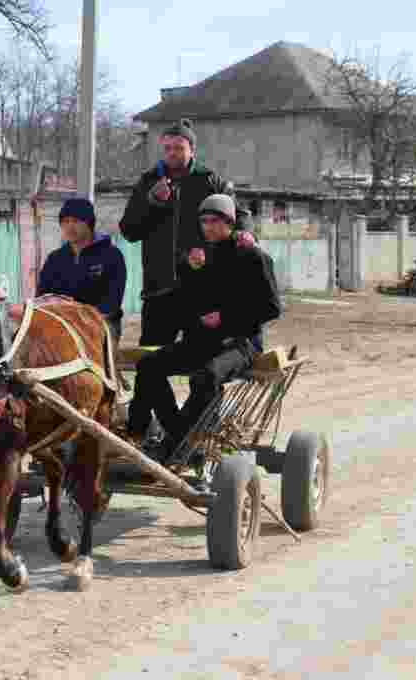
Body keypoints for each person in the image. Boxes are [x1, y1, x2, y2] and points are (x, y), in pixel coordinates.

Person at [126, 194, 281, 466]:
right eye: (204, 221)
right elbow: (188, 304)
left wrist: (225, 319)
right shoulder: (200, 257)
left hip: (240, 343)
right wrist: (188, 272)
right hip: (202, 341)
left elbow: (271, 308)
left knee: (206, 377)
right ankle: (149, 434)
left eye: (214, 221)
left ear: (230, 222)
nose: (208, 227)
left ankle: (176, 444)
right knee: (149, 366)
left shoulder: (253, 256)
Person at [118, 118, 257, 347]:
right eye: (167, 148)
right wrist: (151, 202)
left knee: (203, 361)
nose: (172, 153)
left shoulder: (209, 180)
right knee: (150, 365)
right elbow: (129, 231)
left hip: (202, 289)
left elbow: (239, 214)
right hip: (158, 290)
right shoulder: (148, 181)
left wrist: (246, 233)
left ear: (192, 150)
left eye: (179, 148)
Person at [37, 197, 127, 343]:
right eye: (65, 222)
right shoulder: (55, 259)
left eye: (76, 221)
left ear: (90, 224)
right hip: (63, 323)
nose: (70, 227)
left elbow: (113, 300)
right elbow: (42, 297)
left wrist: (85, 319)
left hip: (101, 323)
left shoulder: (111, 255)